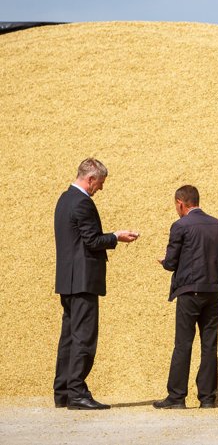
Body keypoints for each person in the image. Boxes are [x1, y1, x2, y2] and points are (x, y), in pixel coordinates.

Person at [54, 158, 139, 410]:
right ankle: (77, 392)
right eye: (99, 183)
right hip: (83, 281)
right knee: (83, 338)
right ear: (90, 179)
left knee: (69, 337)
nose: (100, 188)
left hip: (67, 281)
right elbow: (92, 240)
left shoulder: (64, 199)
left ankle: (63, 391)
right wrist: (116, 236)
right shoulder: (82, 203)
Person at [154, 185, 218, 409]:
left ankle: (176, 397)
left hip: (189, 291)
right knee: (209, 344)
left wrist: (164, 262)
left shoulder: (180, 225)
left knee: (183, 344)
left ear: (180, 203)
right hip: (213, 290)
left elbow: (172, 263)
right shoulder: (217, 225)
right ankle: (207, 398)